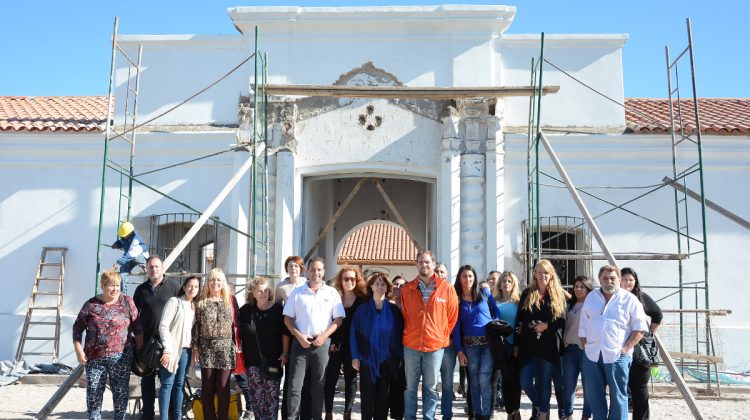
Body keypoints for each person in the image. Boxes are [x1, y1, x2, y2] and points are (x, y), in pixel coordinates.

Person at [579, 265, 648, 420]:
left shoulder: (629, 299)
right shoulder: (592, 297)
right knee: (594, 395)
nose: (608, 281)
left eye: (612, 278)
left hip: (618, 355)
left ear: (619, 280)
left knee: (618, 396)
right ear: (599, 279)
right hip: (592, 354)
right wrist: (585, 343)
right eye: (605, 278)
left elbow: (640, 327)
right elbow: (584, 322)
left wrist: (626, 348)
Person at [73, 270, 142, 420]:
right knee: (94, 393)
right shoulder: (91, 304)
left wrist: (140, 350)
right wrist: (79, 351)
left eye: (118, 285)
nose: (116, 289)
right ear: (103, 285)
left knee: (120, 393)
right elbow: (77, 328)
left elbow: (138, 328)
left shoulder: (127, 301)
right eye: (112, 285)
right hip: (95, 358)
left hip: (121, 357)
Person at [283, 257, 345, 420]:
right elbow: (287, 319)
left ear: (324, 272)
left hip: (322, 345)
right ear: (307, 271)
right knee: (295, 387)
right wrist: (299, 336)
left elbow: (338, 319)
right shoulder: (297, 292)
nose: (316, 273)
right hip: (300, 344)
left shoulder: (332, 293)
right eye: (312, 269)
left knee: (318, 386)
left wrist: (324, 336)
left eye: (319, 270)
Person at [401, 250, 459, 420]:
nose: (423, 265)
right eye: (420, 262)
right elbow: (405, 315)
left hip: (435, 347)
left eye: (427, 262)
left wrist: (440, 336)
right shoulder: (407, 289)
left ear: (434, 265)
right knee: (410, 388)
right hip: (411, 346)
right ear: (416, 264)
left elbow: (452, 317)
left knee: (430, 388)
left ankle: (429, 417)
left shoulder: (447, 289)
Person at [515, 260, 567, 420]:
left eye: (545, 272)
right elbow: (519, 320)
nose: (542, 275)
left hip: (549, 346)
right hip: (528, 345)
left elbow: (563, 319)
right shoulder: (527, 293)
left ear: (551, 274)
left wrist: (547, 325)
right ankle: (539, 406)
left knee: (544, 383)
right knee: (525, 381)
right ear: (534, 274)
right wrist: (516, 344)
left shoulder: (558, 294)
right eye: (538, 272)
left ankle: (543, 414)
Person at [133, 255, 182, 420]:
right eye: (150, 267)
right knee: (147, 382)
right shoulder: (141, 290)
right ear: (147, 269)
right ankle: (147, 414)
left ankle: (168, 415)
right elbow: (134, 317)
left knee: (167, 383)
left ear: (162, 268)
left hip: (167, 344)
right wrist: (137, 342)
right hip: (147, 344)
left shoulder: (175, 287)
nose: (153, 269)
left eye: (156, 266)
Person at [350, 273, 405, 420]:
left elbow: (400, 336)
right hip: (367, 360)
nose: (380, 287)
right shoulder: (362, 310)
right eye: (377, 284)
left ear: (387, 288)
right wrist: (355, 357)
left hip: (387, 361)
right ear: (371, 286)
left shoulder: (394, 311)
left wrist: (399, 356)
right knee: (367, 398)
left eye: (383, 284)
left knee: (383, 399)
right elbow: (353, 334)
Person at [239, 276, 291, 420]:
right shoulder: (245, 311)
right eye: (260, 291)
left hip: (274, 361)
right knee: (257, 401)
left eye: (266, 290)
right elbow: (238, 333)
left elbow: (285, 333)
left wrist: (285, 352)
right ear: (253, 293)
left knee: (272, 400)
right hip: (252, 363)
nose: (264, 293)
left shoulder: (278, 309)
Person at [452, 265, 496, 420]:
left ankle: (486, 415)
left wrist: (495, 325)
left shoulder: (484, 292)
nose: (468, 279)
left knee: (484, 379)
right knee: (474, 382)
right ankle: (477, 414)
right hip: (470, 346)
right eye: (464, 276)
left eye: (470, 276)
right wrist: (459, 351)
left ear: (475, 278)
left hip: (488, 344)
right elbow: (456, 327)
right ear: (459, 278)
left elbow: (495, 311)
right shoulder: (456, 299)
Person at [324, 267, 368, 420]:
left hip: (354, 347)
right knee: (330, 379)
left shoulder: (363, 299)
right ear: (340, 281)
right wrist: (331, 341)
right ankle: (328, 412)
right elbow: (328, 321)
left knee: (351, 380)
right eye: (346, 279)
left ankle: (347, 413)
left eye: (352, 279)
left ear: (357, 281)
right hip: (335, 345)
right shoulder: (334, 298)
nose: (349, 282)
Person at [194, 268, 237, 420]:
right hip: (207, 349)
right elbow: (196, 326)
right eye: (212, 279)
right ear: (208, 282)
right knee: (207, 389)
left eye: (218, 279)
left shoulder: (230, 300)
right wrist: (195, 348)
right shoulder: (201, 302)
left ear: (223, 282)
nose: (215, 283)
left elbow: (237, 325)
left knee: (223, 388)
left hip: (225, 349)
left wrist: (238, 345)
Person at [621, 267, 663, 420]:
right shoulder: (614, 298)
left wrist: (650, 333)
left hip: (639, 351)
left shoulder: (642, 297)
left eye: (631, 280)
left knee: (639, 388)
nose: (628, 282)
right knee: (621, 390)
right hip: (620, 349)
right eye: (625, 279)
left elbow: (658, 314)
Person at [158, 276, 199, 420]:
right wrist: (167, 349)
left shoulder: (195, 306)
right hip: (172, 350)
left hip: (186, 351)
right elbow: (163, 326)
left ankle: (177, 417)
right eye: (190, 285)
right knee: (167, 385)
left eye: (196, 286)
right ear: (184, 286)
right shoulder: (174, 302)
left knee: (180, 385)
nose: (192, 289)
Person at [275, 255, 309, 420]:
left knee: (305, 378)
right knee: (290, 377)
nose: (293, 269)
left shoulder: (306, 283)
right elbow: (276, 308)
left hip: (306, 330)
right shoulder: (281, 286)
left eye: (296, 266)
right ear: (286, 268)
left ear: (301, 268)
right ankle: (287, 414)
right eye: (290, 266)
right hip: (289, 330)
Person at [559, 276, 594, 420]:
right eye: (576, 286)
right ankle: (568, 414)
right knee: (568, 386)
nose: (578, 289)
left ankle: (586, 416)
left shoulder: (593, 305)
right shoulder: (569, 304)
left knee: (588, 386)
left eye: (582, 287)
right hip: (569, 350)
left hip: (586, 350)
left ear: (588, 289)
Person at [492, 271, 521, 420]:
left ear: (514, 284)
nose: (506, 284)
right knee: (505, 379)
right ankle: (509, 411)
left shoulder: (519, 301)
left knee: (516, 379)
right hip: (501, 347)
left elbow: (523, 322)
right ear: (500, 284)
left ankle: (516, 410)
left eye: (509, 281)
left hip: (516, 345)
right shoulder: (495, 301)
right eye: (504, 281)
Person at [432, 262, 457, 420]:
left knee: (447, 383)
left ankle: (447, 414)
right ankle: (431, 413)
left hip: (448, 344)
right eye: (437, 271)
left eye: (442, 272)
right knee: (432, 384)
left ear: (446, 276)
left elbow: (453, 317)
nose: (439, 274)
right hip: (432, 344)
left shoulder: (450, 290)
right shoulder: (427, 291)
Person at [111, 221, 150, 293]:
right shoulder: (124, 238)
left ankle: (144, 265)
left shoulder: (136, 240)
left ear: (130, 233)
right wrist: (116, 244)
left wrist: (118, 263)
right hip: (129, 258)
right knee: (122, 273)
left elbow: (131, 254)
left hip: (141, 258)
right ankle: (123, 294)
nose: (123, 236)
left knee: (135, 256)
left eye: (124, 235)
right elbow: (121, 242)